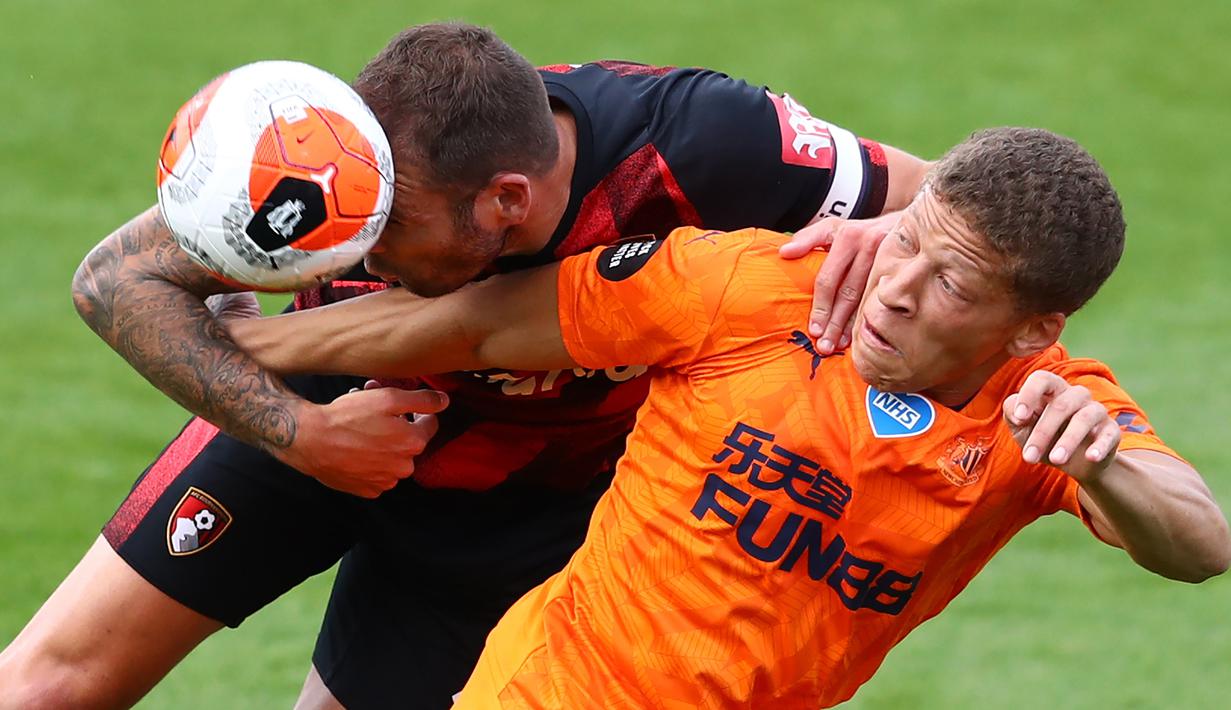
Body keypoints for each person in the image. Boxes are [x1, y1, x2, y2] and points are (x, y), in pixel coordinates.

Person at [0, 22, 934, 710]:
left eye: (388, 229)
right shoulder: (333, 159)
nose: (357, 254)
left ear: (505, 202)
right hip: (317, 405)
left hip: (529, 500)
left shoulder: (705, 147)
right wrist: (303, 434)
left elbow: (948, 199)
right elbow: (113, 282)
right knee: (47, 683)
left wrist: (889, 237)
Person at [222, 127, 1230, 708]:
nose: (895, 287)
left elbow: (1198, 543)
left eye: (952, 282)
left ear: (1031, 328)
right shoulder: (750, 285)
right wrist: (245, 347)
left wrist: (1105, 464)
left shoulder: (1048, 410)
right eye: (904, 242)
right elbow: (476, 330)